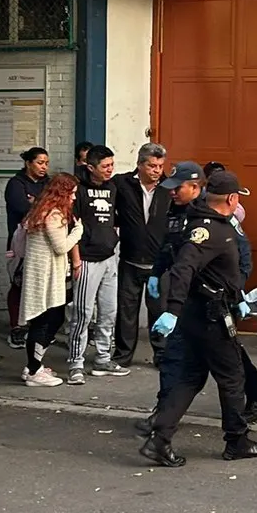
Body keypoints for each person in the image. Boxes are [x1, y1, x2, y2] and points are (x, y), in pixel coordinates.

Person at [141, 170, 257, 467]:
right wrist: (171, 310)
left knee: (190, 377)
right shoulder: (211, 230)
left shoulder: (205, 223)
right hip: (208, 316)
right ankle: (236, 440)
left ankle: (159, 439)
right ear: (232, 198)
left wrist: (238, 298)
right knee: (232, 376)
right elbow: (185, 267)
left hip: (200, 311)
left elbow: (220, 272)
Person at [67, 144, 128, 384]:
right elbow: (72, 226)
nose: (110, 170)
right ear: (90, 167)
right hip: (86, 260)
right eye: (105, 166)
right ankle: (76, 363)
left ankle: (103, 358)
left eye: (112, 165)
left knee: (108, 312)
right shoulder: (79, 190)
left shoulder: (112, 188)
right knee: (82, 313)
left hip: (109, 258)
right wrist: (76, 260)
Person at [18, 172, 83, 387]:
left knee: (49, 319)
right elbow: (61, 247)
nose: (73, 198)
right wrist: (78, 232)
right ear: (61, 193)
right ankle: (34, 371)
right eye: (71, 194)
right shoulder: (53, 215)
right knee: (44, 321)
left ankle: (34, 365)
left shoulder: (39, 210)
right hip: (45, 276)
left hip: (40, 274)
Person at [111, 143, 170, 367]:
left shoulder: (168, 187)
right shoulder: (122, 183)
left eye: (160, 166)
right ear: (140, 164)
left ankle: (162, 356)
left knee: (159, 312)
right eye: (152, 165)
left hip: (159, 264)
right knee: (126, 312)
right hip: (130, 259)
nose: (157, 170)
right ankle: (123, 356)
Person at [4, 147, 49, 348]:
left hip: (43, 243)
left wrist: (35, 202)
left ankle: (38, 327)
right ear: (28, 163)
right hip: (20, 242)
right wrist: (39, 205)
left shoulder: (48, 183)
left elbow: (54, 207)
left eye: (46, 163)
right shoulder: (16, 184)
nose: (44, 167)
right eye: (40, 163)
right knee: (19, 285)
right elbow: (21, 208)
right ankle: (17, 328)